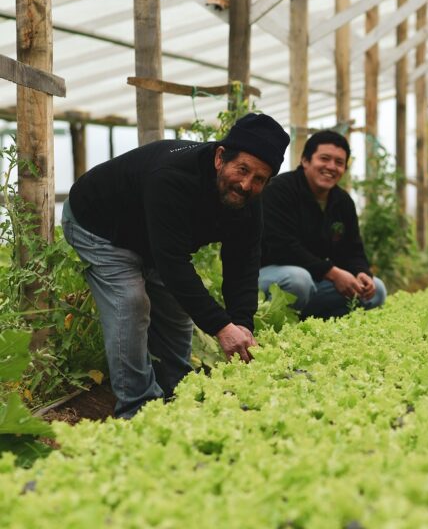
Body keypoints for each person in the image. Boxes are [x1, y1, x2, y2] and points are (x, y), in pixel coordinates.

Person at [61, 113, 290, 418]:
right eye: (242, 170)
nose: (247, 184)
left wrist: (242, 323)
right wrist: (221, 328)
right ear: (221, 157)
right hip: (101, 226)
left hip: (154, 237)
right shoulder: (174, 177)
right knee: (130, 302)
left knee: (176, 312)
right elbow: (172, 263)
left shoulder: (248, 201)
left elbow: (243, 263)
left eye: (259, 179)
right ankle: (137, 407)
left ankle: (178, 391)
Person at [259, 129, 386, 319]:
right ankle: (275, 323)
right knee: (298, 281)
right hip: (267, 276)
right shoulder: (279, 190)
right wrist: (332, 273)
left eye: (339, 162)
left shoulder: (342, 201)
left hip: (314, 278)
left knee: (377, 291)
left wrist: (361, 272)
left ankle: (314, 324)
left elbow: (353, 249)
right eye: (324, 158)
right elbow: (282, 246)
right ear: (305, 161)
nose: (331, 167)